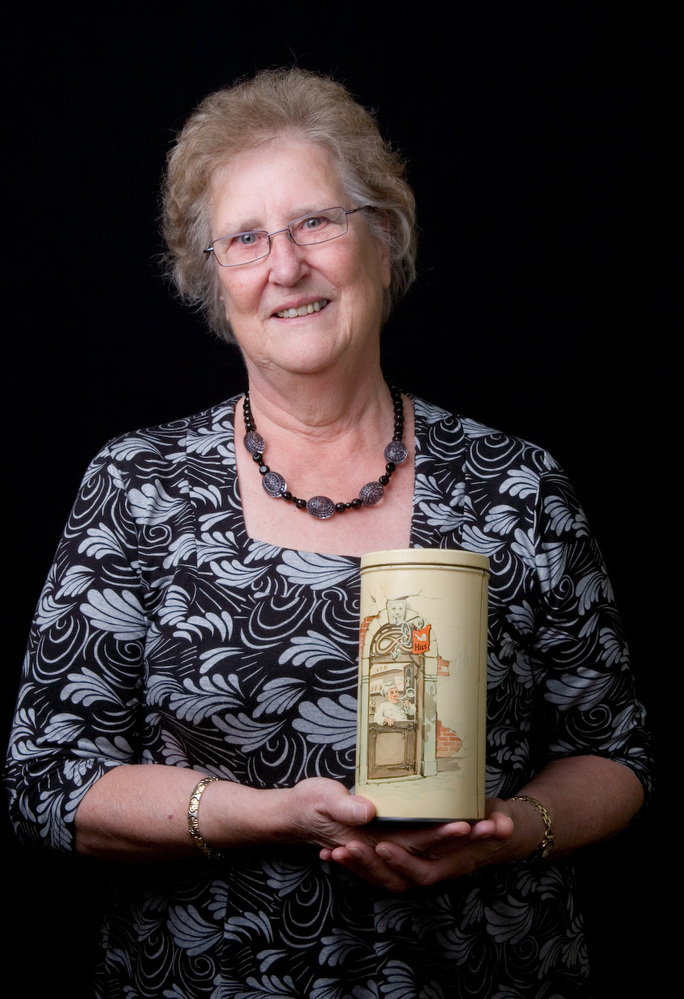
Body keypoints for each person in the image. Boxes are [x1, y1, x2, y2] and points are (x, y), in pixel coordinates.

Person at [6, 67, 652, 998]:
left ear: (383, 242)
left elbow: (616, 754)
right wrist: (264, 814)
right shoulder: (138, 488)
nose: (286, 266)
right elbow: (49, 780)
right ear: (214, 282)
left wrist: (512, 829)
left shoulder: (517, 485)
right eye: (246, 238)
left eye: (316, 221)